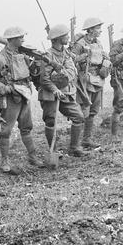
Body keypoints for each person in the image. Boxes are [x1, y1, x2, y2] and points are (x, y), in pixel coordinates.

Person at [0, 27, 41, 172]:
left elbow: (32, 73)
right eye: (20, 37)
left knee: (26, 128)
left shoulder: (23, 54)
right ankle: (4, 162)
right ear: (12, 40)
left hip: (24, 96)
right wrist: (6, 89)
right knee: (6, 131)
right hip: (10, 99)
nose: (23, 39)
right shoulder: (1, 58)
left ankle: (33, 156)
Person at [39, 24, 87, 157]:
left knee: (78, 117)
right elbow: (44, 79)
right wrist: (55, 90)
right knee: (50, 121)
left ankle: (74, 148)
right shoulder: (47, 56)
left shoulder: (66, 53)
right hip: (50, 94)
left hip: (66, 93)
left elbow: (72, 71)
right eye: (65, 35)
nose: (68, 37)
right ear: (58, 38)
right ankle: (53, 151)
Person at [70, 17, 111, 149]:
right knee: (84, 111)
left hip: (98, 79)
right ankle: (77, 142)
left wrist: (105, 60)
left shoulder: (98, 43)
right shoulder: (80, 44)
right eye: (98, 28)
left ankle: (87, 139)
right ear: (91, 29)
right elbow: (71, 60)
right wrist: (84, 56)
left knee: (93, 110)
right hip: (85, 80)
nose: (100, 31)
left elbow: (102, 56)